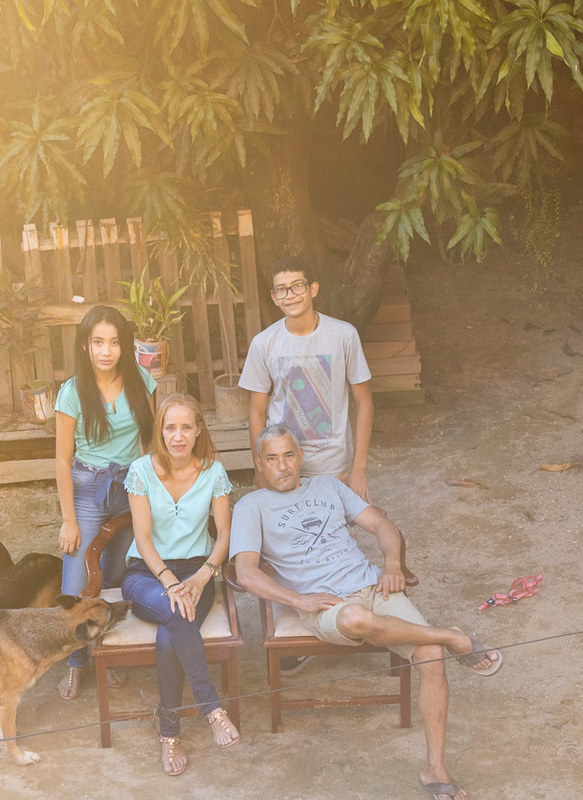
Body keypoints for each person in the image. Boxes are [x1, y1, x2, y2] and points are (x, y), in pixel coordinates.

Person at [230, 424, 503, 800]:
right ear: (259, 463)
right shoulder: (250, 506)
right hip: (326, 606)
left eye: (289, 455)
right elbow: (245, 572)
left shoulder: (327, 486)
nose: (282, 466)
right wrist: (298, 601)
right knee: (356, 619)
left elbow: (380, 523)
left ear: (301, 457)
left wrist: (392, 564)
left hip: (373, 585)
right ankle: (453, 635)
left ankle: (435, 770)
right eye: (272, 458)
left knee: (431, 657)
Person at [120, 393, 240, 776]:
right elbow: (143, 538)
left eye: (186, 426)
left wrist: (204, 575)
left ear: (198, 429)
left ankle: (168, 735)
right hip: (145, 573)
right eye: (170, 427)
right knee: (176, 611)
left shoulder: (214, 472)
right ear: (160, 431)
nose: (178, 435)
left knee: (172, 631)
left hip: (196, 572)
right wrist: (170, 583)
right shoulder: (140, 471)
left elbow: (223, 536)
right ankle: (212, 709)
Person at [55, 306, 157, 700]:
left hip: (130, 485)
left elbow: (150, 442)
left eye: (114, 342)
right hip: (88, 488)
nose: (106, 351)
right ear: (86, 345)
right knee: (78, 581)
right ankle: (76, 662)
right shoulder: (72, 392)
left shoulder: (141, 380)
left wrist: (152, 490)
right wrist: (69, 520)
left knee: (115, 575)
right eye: (98, 342)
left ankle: (105, 655)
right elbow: (62, 460)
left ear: (124, 346)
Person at [238, 255, 374, 500]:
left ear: (313, 289)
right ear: (274, 298)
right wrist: (261, 471)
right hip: (281, 465)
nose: (290, 295)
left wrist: (359, 469)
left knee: (330, 532)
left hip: (332, 464)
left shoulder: (344, 335)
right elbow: (257, 412)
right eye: (281, 290)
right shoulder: (263, 344)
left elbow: (364, 402)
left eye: (297, 286)